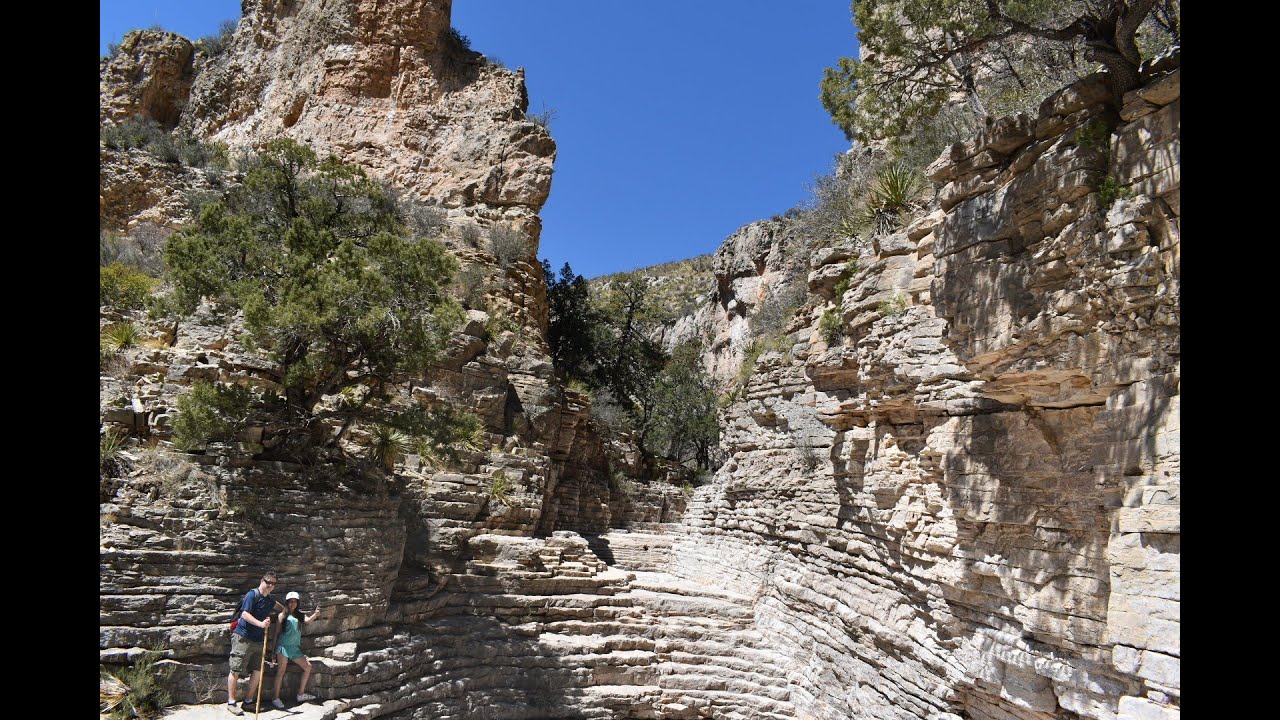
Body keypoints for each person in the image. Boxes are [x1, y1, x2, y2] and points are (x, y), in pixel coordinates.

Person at [226, 571, 285, 715]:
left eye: (273, 583)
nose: (270, 585)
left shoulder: (270, 599)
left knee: (258, 671)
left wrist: (282, 616)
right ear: (262, 580)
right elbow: (245, 614)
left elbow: (282, 608)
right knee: (235, 669)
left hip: (259, 640)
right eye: (268, 582)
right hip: (243, 637)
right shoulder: (252, 595)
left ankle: (248, 701)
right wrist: (261, 624)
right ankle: (231, 702)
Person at [270, 591, 330, 708]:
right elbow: (276, 634)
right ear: (287, 602)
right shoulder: (282, 615)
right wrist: (273, 652)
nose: (293, 603)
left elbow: (307, 621)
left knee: (307, 667)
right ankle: (275, 698)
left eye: (295, 601)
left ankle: (300, 694)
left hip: (295, 648)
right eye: (291, 601)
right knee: (281, 672)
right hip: (283, 647)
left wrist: (316, 614)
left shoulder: (299, 614)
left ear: (297, 603)